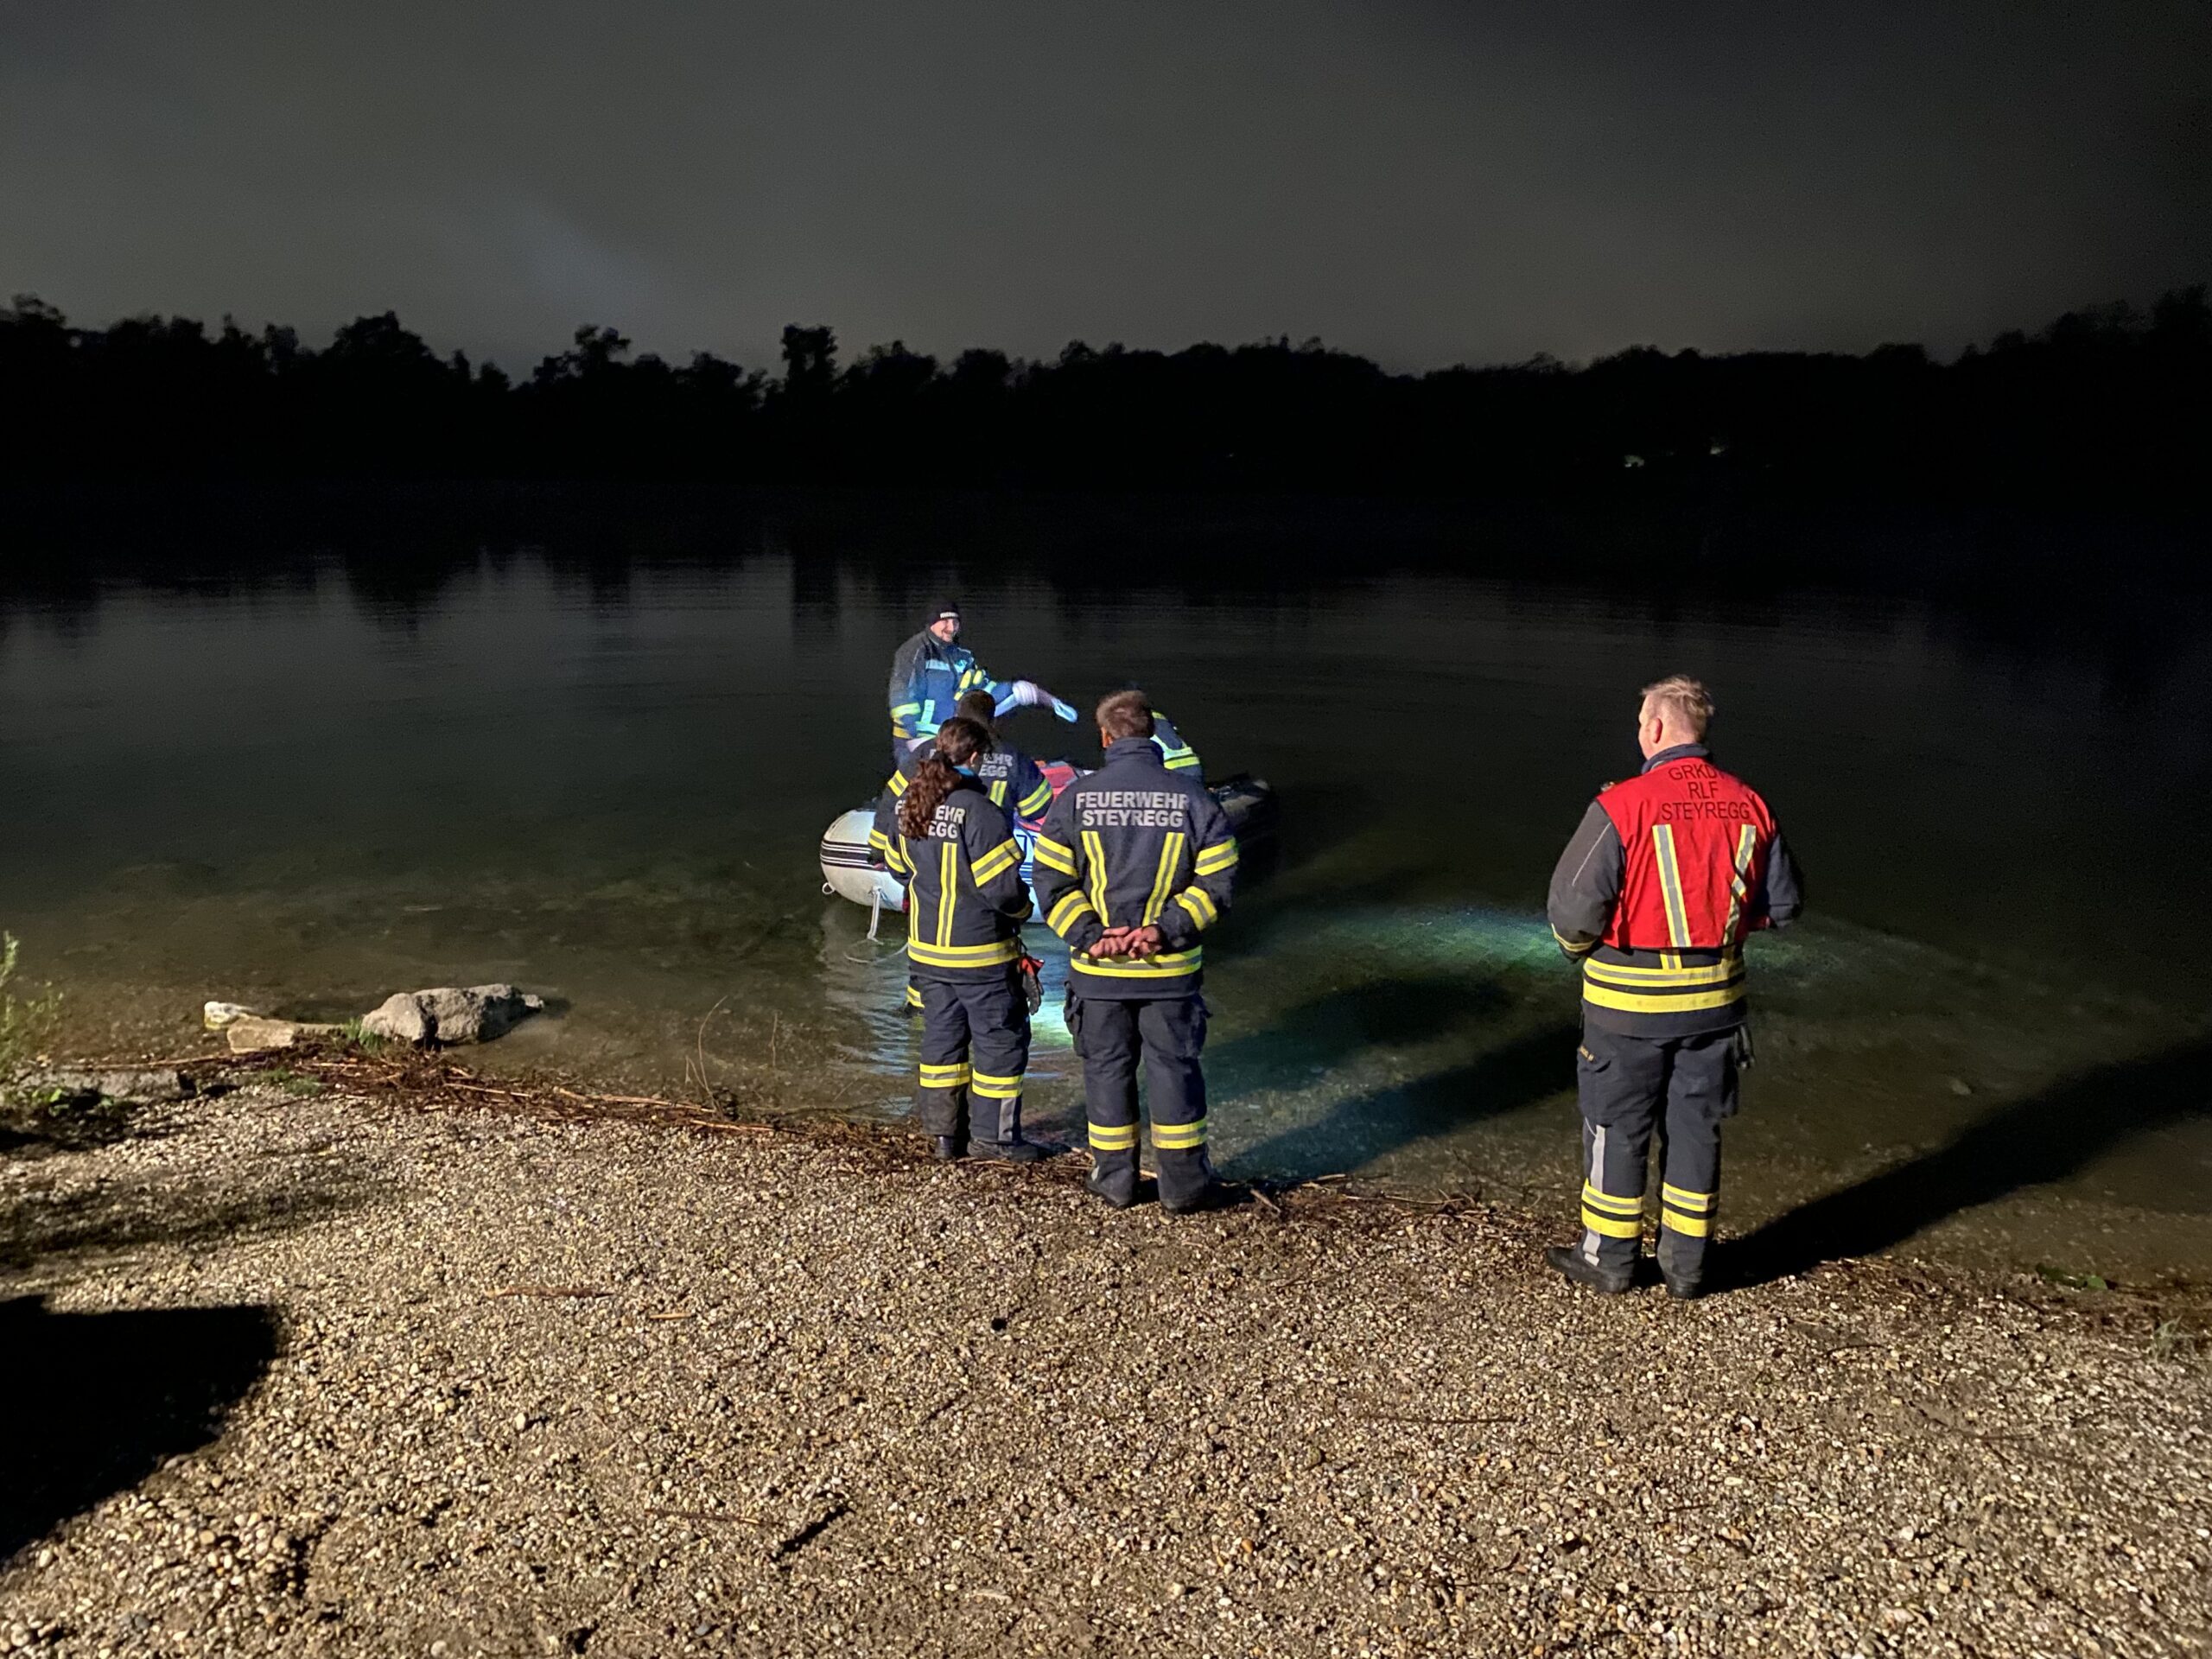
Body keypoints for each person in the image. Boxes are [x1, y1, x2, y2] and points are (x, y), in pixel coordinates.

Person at [1543, 675, 1805, 1300]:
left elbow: (1572, 912)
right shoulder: (1751, 804)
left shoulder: (1622, 806)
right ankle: (1687, 1267)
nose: (1640, 732)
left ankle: (1608, 1259)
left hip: (1627, 1010)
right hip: (1714, 1009)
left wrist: (1580, 953)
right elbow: (1785, 906)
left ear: (1656, 728)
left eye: (1641, 723)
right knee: (1695, 1130)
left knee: (1616, 1126)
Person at [1031, 690, 1236, 1212]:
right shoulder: (1195, 799)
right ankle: (1184, 1188)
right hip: (1170, 971)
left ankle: (1115, 1182)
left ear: (1105, 737)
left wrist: (1090, 935)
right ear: (1152, 734)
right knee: (1174, 1073)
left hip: (1098, 973)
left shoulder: (1074, 800)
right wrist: (1163, 931)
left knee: (1106, 1072)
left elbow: (1050, 881)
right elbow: (1219, 882)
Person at [891, 716, 1046, 1162]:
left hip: (927, 954)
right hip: (981, 954)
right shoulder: (981, 812)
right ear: (976, 757)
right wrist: (1024, 911)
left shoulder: (912, 806)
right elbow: (1003, 890)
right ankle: (994, 1140)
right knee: (1000, 1042)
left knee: (942, 1040)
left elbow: (900, 869)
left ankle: (945, 1137)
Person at [886, 597, 1071, 766]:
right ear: (932, 622)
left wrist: (1017, 690)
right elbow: (902, 697)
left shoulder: (962, 656)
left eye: (955, 622)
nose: (951, 627)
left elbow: (980, 693)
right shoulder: (915, 651)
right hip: (915, 742)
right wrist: (914, 735)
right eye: (945, 621)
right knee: (918, 787)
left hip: (950, 740)